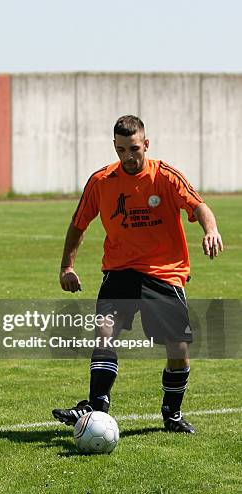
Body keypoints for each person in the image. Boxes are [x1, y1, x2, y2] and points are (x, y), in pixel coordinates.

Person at [52, 115, 223, 433]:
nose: (128, 157)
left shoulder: (166, 177)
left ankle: (171, 415)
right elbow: (79, 224)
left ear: (146, 144)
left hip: (163, 273)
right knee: (104, 333)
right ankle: (96, 406)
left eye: (133, 149)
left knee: (178, 349)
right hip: (120, 271)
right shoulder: (101, 181)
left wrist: (210, 230)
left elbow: (199, 207)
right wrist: (67, 267)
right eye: (121, 150)